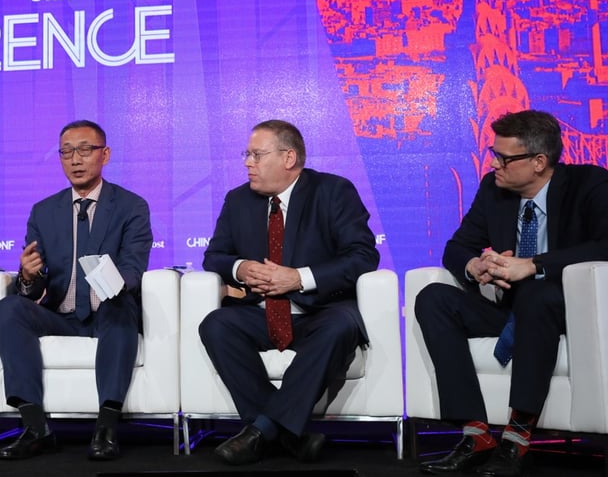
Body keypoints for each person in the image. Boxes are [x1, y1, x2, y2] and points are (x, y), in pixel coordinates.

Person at [416, 110, 608, 477]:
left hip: (567, 311)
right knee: (433, 298)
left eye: (504, 158)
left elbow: (605, 245)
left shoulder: (590, 184)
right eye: (494, 154)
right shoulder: (494, 189)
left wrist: (533, 264)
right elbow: (457, 247)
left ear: (539, 162)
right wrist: (475, 266)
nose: (494, 164)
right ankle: (476, 433)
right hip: (511, 309)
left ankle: (517, 436)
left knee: (537, 294)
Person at [199, 120, 380, 466]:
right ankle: (287, 435)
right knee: (216, 324)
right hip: (260, 312)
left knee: (340, 326)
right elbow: (214, 256)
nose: (247, 163)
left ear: (289, 158)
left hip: (319, 311)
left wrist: (298, 278)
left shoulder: (333, 191)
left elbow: (362, 256)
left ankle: (262, 429)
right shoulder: (238, 200)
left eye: (257, 155)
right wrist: (241, 268)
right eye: (247, 154)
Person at [0, 120, 153, 462]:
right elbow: (34, 286)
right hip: (60, 316)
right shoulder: (43, 211)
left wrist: (114, 283)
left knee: (120, 304)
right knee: (9, 307)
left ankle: (106, 427)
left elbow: (133, 267)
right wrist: (28, 276)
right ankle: (35, 428)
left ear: (105, 155)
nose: (75, 159)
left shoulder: (131, 206)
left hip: (108, 311)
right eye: (66, 152)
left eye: (84, 150)